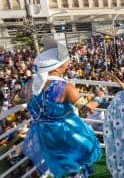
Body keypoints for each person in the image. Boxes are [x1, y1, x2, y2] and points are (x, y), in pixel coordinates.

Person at [22, 37, 103, 178]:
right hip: (66, 135)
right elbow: (85, 109)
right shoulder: (66, 87)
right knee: (77, 162)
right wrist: (99, 97)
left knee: (59, 165)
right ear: (58, 67)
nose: (69, 62)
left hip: (43, 136)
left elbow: (17, 98)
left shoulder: (29, 85)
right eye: (67, 60)